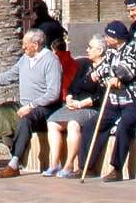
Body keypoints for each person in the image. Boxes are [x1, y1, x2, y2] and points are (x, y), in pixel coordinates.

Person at [0, 27, 63, 178]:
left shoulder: (51, 61)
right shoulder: (24, 59)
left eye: (25, 44)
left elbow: (53, 93)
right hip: (23, 104)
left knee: (25, 120)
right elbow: (7, 77)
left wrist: (31, 106)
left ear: (35, 45)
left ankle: (14, 163)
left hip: (44, 107)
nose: (23, 47)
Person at [89, 19, 136, 181]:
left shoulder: (134, 48)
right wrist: (100, 73)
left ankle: (116, 169)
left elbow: (128, 68)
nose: (105, 38)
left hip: (135, 100)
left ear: (116, 37)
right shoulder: (112, 51)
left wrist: (117, 77)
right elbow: (105, 68)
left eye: (108, 35)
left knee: (124, 125)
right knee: (94, 123)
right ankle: (86, 165)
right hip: (115, 99)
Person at [45, 34, 107, 178]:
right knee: (52, 122)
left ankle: (69, 164)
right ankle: (54, 163)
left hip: (90, 107)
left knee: (73, 124)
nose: (87, 50)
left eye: (90, 48)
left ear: (100, 50)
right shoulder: (85, 64)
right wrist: (69, 98)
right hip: (75, 104)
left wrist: (81, 104)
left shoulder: (106, 68)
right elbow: (73, 86)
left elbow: (101, 96)